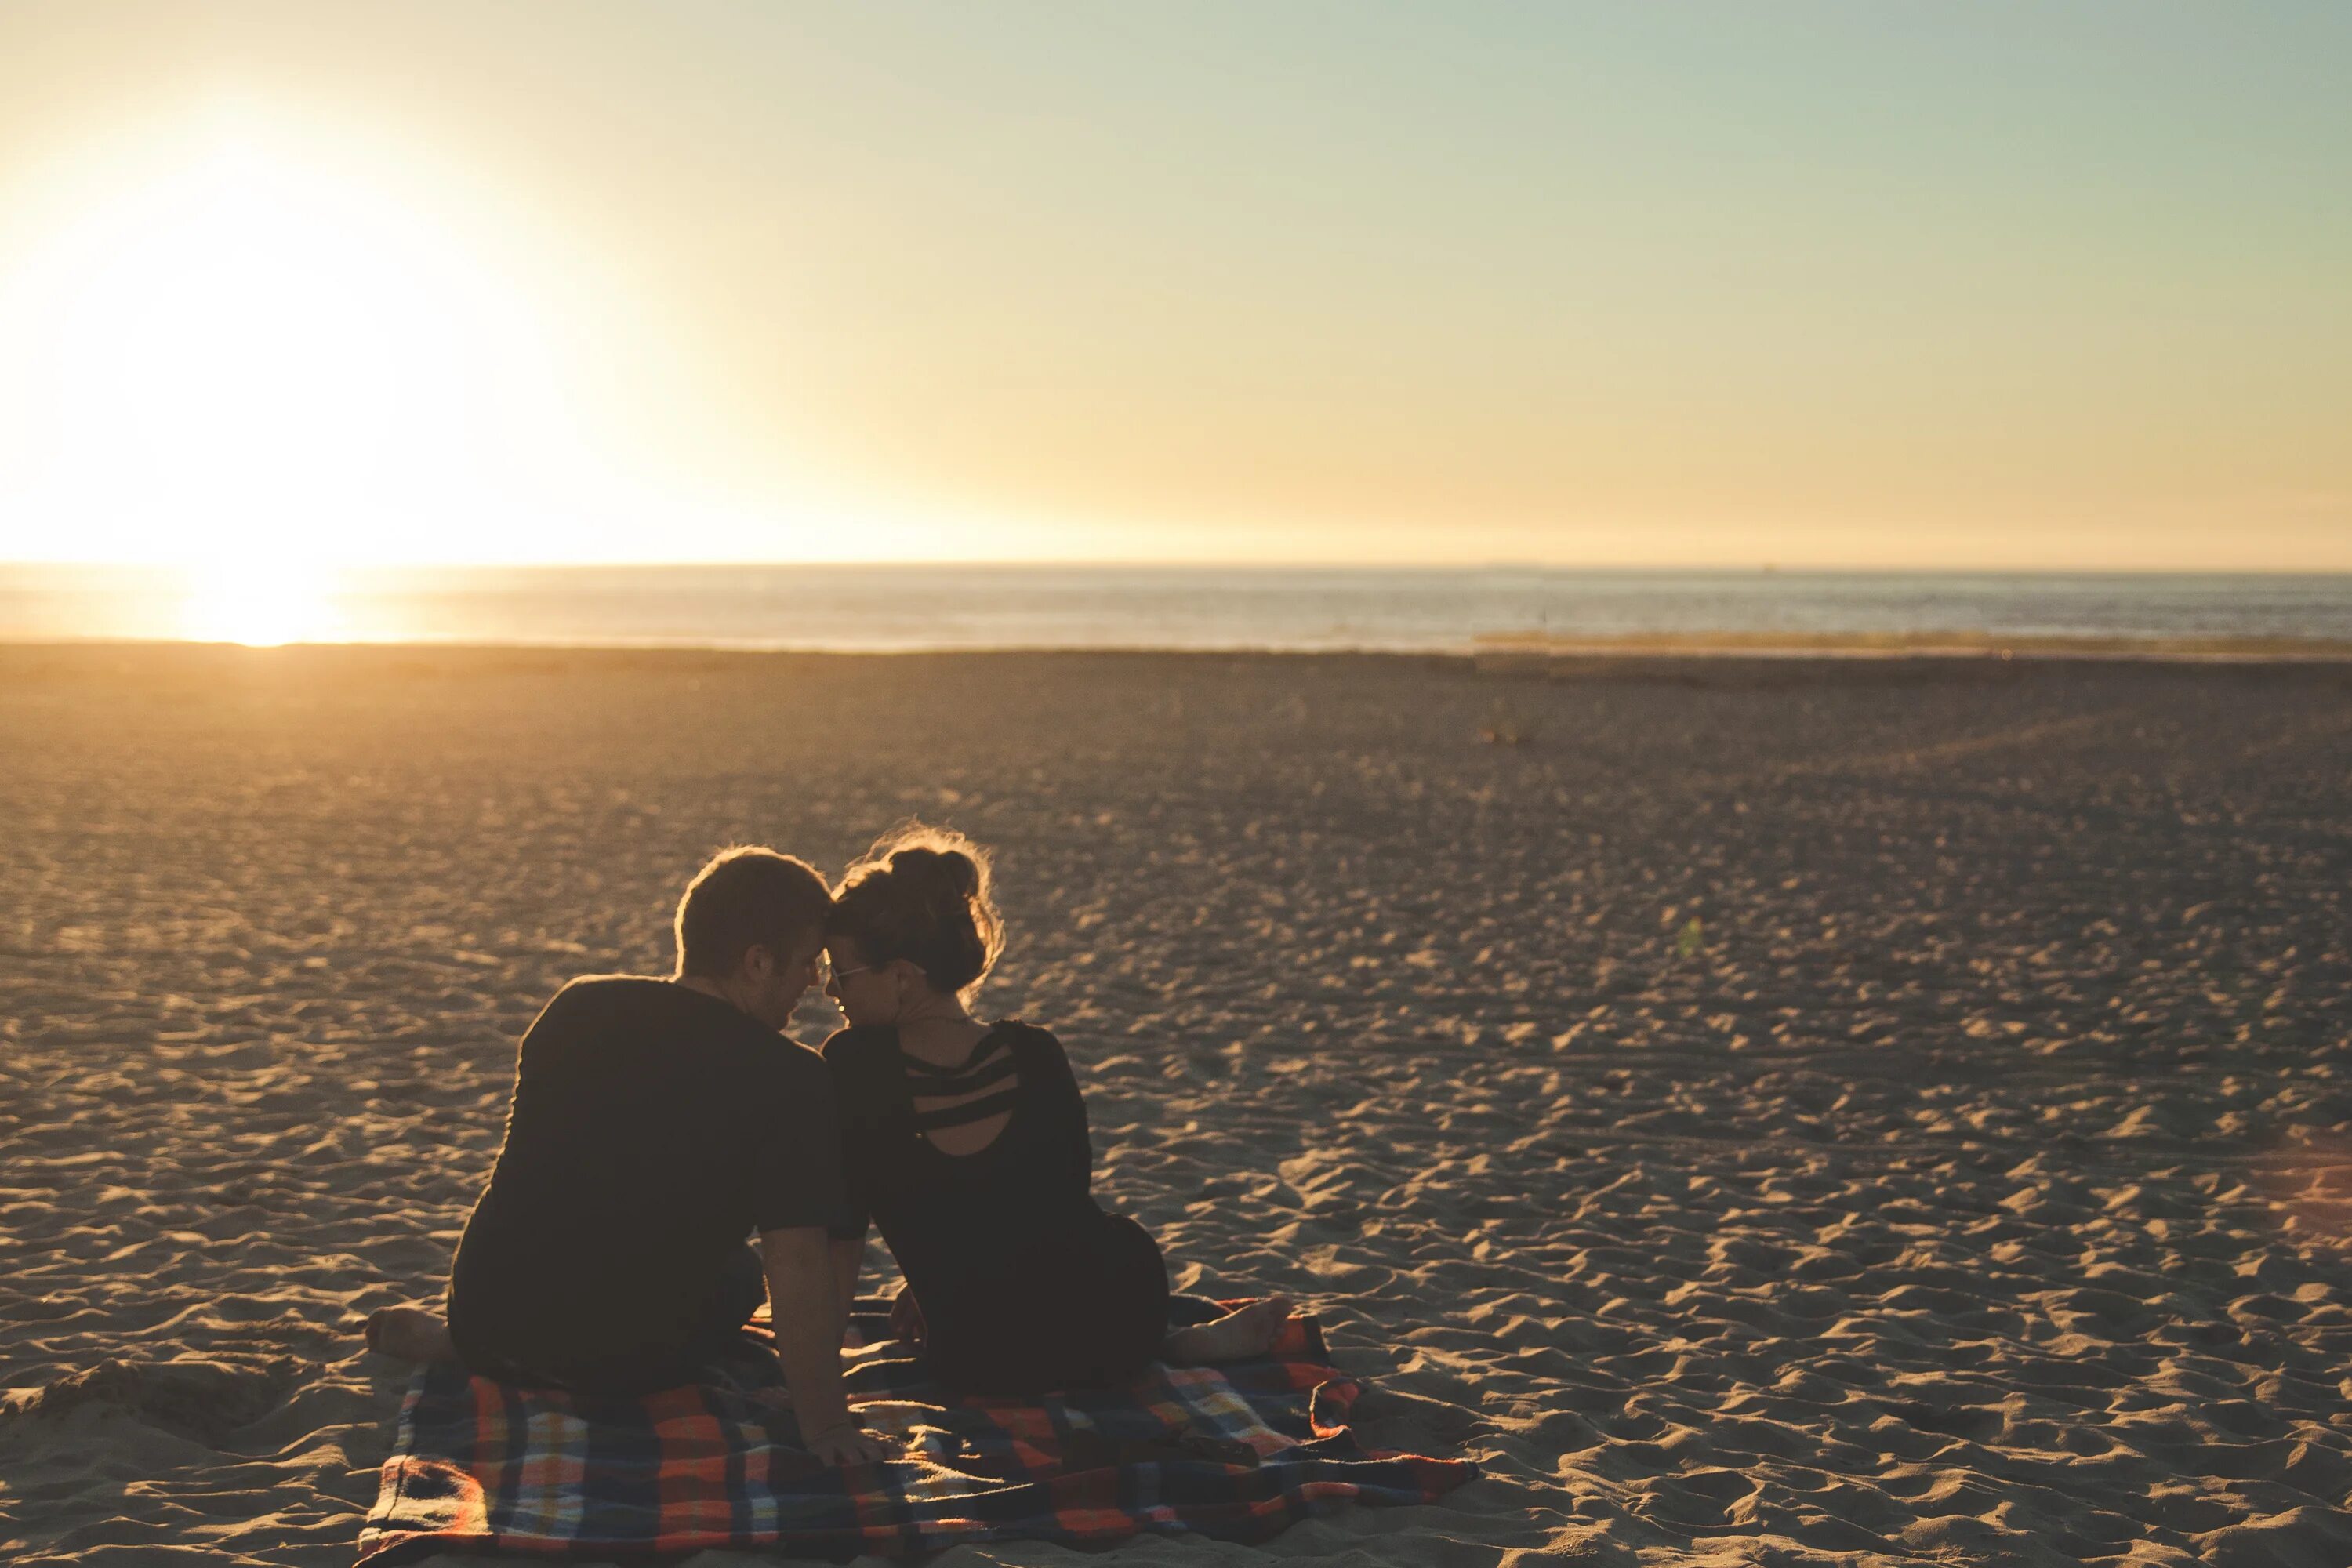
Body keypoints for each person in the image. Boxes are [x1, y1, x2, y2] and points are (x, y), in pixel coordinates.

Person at [366, 847, 888, 1465]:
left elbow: (543, 1177)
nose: (814, 984)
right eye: (806, 964)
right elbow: (796, 1265)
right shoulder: (792, 1077)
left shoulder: (576, 1006)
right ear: (756, 962)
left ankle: (461, 1349)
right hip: (616, 1362)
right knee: (743, 1274)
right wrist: (825, 1426)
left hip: (483, 1318)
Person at [819, 826, 1290, 1396]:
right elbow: (1050, 1208)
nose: (828, 991)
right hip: (1111, 1328)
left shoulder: (852, 1067)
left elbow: (842, 1239)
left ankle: (1171, 1347)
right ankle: (1169, 1346)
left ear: (900, 976)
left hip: (976, 1354)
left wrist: (822, 1375)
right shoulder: (1034, 1053)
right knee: (1112, 1244)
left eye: (840, 973)